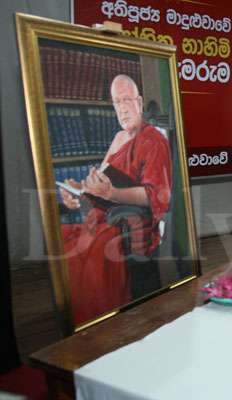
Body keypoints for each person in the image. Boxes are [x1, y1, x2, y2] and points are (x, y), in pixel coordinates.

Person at [59, 74, 172, 325]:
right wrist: (76, 190)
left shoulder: (155, 140)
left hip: (123, 225)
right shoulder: (119, 139)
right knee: (61, 239)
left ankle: (102, 327)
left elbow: (157, 195)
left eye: (126, 100)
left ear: (139, 101)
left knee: (78, 256)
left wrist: (111, 194)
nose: (121, 109)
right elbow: (98, 183)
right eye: (116, 102)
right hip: (99, 218)